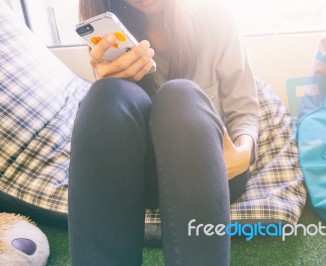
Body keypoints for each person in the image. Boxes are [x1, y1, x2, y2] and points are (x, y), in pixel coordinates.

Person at [68, 0, 259, 265]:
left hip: (211, 167)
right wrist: (108, 82)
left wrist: (243, 153)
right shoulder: (111, 33)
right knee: (104, 96)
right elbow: (113, 126)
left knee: (180, 95)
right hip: (144, 174)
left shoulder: (214, 17)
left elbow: (245, 108)